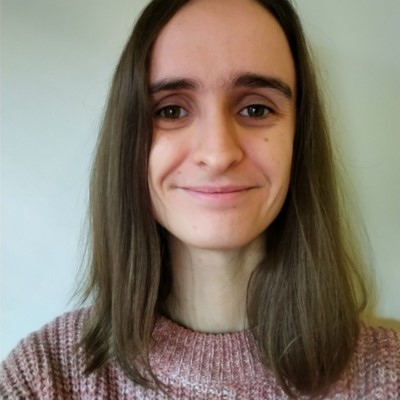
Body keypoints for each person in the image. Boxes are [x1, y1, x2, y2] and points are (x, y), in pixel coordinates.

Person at [1, 0, 399, 398]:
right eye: (171, 110)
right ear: (129, 143)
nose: (218, 152)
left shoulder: (387, 375)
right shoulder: (45, 378)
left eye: (256, 108)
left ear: (299, 139)